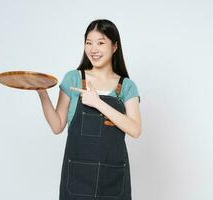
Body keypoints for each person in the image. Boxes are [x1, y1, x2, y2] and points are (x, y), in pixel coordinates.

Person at [36, 19, 141, 200]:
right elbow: (57, 126)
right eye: (88, 43)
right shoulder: (73, 79)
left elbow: (135, 129)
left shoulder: (126, 86)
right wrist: (42, 93)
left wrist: (98, 102)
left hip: (113, 177)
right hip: (77, 177)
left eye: (101, 43)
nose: (93, 49)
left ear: (115, 46)